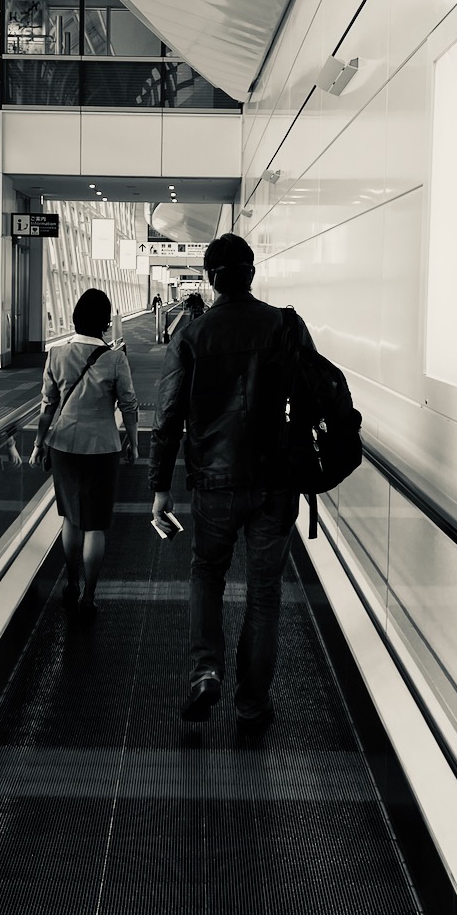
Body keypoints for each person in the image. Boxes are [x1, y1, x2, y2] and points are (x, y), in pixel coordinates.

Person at [149, 233, 308, 732]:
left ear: (213, 280)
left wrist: (159, 487)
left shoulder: (193, 336)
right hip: (274, 482)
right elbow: (308, 399)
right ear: (252, 273)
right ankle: (252, 705)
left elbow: (169, 413)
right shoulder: (285, 325)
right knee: (264, 594)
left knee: (207, 575)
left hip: (214, 481)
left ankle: (205, 672)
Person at [30, 288, 139, 622]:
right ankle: (89, 596)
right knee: (96, 525)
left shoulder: (56, 355)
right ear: (106, 322)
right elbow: (129, 404)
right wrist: (133, 441)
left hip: (63, 446)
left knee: (71, 518)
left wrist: (38, 443)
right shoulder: (116, 358)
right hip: (102, 447)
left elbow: (47, 406)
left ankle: (72, 582)